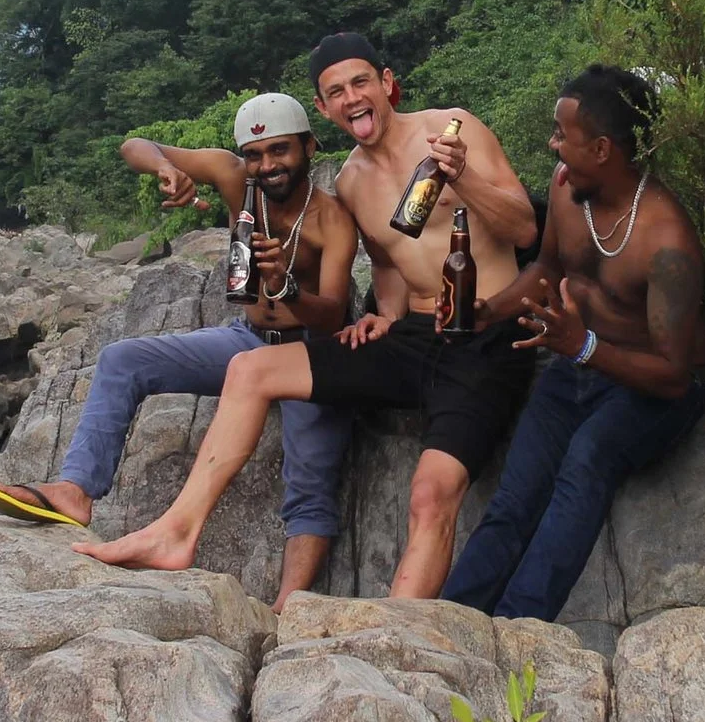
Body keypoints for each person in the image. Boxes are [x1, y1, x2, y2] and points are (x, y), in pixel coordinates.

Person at [76, 32, 540, 598]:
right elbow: (390, 261)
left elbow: (524, 229)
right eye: (336, 91)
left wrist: (462, 175)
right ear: (323, 108)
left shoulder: (450, 129)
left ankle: (397, 629)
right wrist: (385, 315)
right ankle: (176, 532)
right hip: (413, 335)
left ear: (386, 83)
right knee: (250, 369)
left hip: (485, 332)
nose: (352, 98)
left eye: (361, 82)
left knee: (430, 492)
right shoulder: (352, 181)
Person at [0, 91, 358, 608]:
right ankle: (76, 490)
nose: (267, 165)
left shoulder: (331, 219)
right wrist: (166, 169)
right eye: (255, 154)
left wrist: (285, 287)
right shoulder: (234, 179)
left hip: (307, 352)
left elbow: (333, 314)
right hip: (248, 338)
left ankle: (290, 609)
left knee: (310, 479)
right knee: (123, 359)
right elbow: (135, 145)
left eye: (280, 150)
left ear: (309, 147)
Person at [440, 64, 705, 622]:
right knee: (517, 493)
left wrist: (583, 346)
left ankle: (518, 631)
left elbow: (673, 375)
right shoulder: (567, 190)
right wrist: (488, 312)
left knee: (586, 461)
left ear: (603, 149)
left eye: (562, 135)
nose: (552, 145)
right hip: (576, 364)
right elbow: (547, 268)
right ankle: (454, 623)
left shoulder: (666, 238)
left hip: (647, 387)